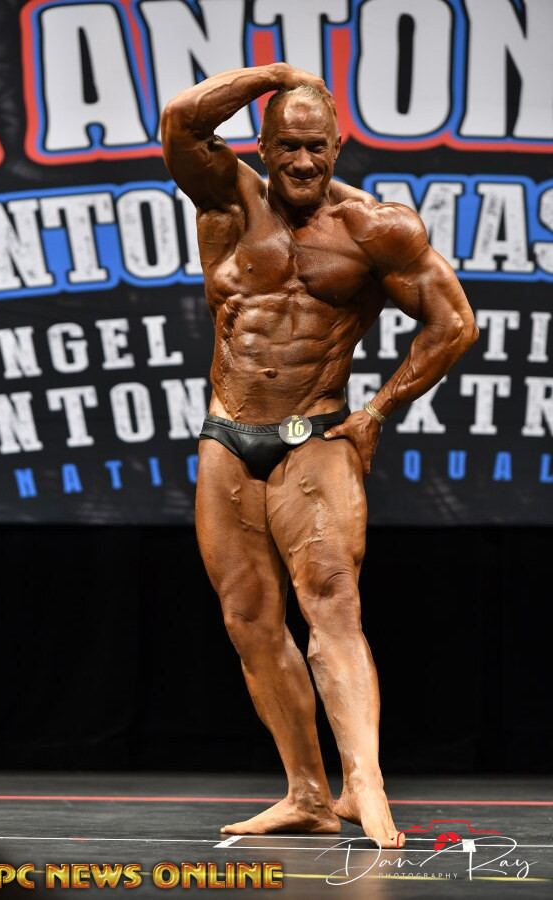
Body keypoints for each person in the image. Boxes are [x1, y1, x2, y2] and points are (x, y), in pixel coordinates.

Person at [161, 63, 478, 848]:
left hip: (316, 435)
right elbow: (181, 120)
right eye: (287, 146)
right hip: (227, 436)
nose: (302, 162)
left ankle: (363, 781)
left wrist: (376, 411)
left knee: (332, 604)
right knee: (249, 621)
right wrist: (276, 74)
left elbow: (454, 324)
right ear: (262, 145)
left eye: (316, 146)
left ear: (338, 145)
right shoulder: (227, 199)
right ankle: (305, 793)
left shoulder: (376, 228)